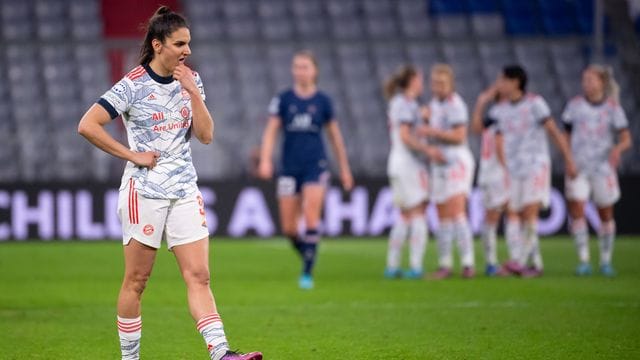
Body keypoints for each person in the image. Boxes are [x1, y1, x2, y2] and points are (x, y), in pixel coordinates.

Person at [77, 7, 261, 360]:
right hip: (143, 191)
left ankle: (222, 353)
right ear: (158, 45)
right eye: (179, 43)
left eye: (188, 43)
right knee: (137, 281)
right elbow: (87, 124)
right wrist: (133, 156)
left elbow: (206, 136)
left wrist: (192, 90)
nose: (187, 50)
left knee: (199, 276)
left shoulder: (191, 80)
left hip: (184, 191)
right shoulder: (132, 85)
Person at [258, 50, 353, 289]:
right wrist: (265, 160)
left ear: (315, 71)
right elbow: (271, 131)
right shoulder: (283, 99)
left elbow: (335, 138)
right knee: (289, 228)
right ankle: (309, 253)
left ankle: (307, 273)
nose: (300, 71)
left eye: (304, 66)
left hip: (316, 165)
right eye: (297, 66)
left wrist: (344, 169)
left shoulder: (323, 101)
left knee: (311, 214)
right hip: (289, 168)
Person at [491, 65, 577, 278]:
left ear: (515, 81)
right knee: (519, 215)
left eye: (502, 80)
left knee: (530, 212)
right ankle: (535, 264)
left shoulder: (535, 103)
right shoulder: (501, 110)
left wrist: (568, 159)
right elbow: (499, 139)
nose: (499, 84)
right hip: (514, 168)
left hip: (535, 165)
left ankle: (518, 261)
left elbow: (553, 132)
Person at [562, 65, 632, 277]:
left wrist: (618, 149)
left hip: (603, 168)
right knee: (577, 210)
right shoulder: (574, 106)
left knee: (605, 213)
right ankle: (583, 260)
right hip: (578, 167)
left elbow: (626, 138)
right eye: (585, 80)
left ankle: (605, 260)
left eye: (591, 80)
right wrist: (568, 159)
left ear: (602, 83)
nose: (587, 84)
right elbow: (564, 135)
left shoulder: (612, 108)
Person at [382, 65, 444, 279]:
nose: (423, 84)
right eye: (420, 79)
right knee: (418, 212)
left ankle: (392, 265)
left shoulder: (400, 103)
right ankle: (416, 266)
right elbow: (406, 135)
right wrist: (429, 150)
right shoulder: (406, 104)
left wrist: (423, 117)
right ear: (412, 81)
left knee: (405, 214)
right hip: (409, 164)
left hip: (397, 163)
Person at [418, 64, 476, 279]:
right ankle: (445, 264)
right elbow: (427, 135)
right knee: (441, 215)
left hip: (456, 162)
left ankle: (468, 263)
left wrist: (430, 130)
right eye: (434, 82)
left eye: (441, 83)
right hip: (439, 164)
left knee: (457, 212)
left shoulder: (456, 105)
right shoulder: (432, 105)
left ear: (450, 84)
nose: (437, 86)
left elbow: (459, 136)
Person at [472, 84, 522, 276]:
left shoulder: (492, 116)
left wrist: (481, 103)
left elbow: (476, 128)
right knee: (510, 214)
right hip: (499, 173)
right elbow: (501, 146)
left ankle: (495, 262)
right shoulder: (502, 115)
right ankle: (511, 261)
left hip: (487, 173)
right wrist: (509, 171)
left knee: (493, 218)